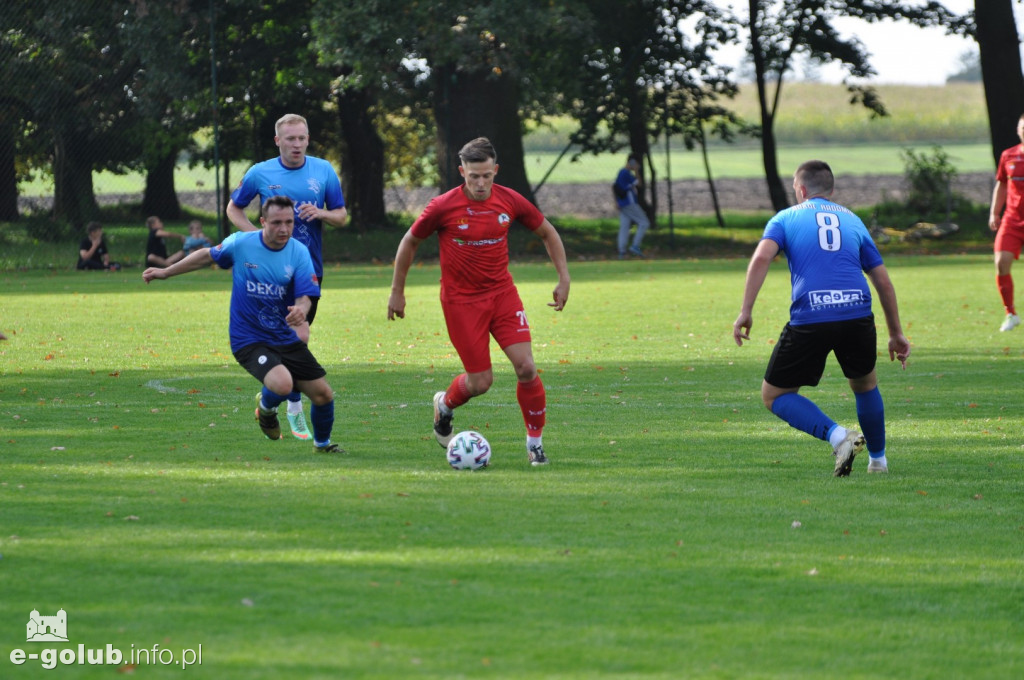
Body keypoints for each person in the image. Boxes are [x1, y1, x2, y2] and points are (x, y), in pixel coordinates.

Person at [387, 137, 571, 466]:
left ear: (496, 170)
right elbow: (410, 241)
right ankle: (445, 404)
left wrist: (563, 278)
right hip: (460, 303)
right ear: (462, 172)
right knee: (480, 382)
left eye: (487, 175)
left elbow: (548, 232)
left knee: (526, 367)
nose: (481, 183)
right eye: (474, 176)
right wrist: (397, 291)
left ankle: (535, 443)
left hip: (502, 295)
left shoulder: (509, 200)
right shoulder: (443, 206)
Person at [732, 160, 911, 476]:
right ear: (831, 190)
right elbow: (882, 280)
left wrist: (746, 310)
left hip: (811, 314)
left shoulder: (785, 218)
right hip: (857, 312)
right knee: (866, 385)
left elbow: (762, 257)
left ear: (800, 190)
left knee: (774, 395)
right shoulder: (853, 221)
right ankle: (878, 462)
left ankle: (839, 436)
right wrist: (896, 332)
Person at [142, 195, 341, 453]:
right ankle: (267, 410)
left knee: (323, 394)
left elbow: (305, 296)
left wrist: (301, 311)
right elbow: (206, 256)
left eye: (289, 222)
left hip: (282, 336)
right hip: (248, 338)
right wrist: (165, 272)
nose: (283, 229)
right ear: (262, 222)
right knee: (283, 383)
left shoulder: (299, 252)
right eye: (277, 222)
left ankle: (322, 446)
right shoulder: (241, 243)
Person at [226, 113, 348, 441]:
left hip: (308, 272)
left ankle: (271, 401)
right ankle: (290, 406)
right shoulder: (260, 172)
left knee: (296, 342)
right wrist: (256, 239)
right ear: (278, 141)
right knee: (297, 340)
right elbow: (233, 209)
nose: (297, 144)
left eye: (302, 138)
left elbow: (342, 215)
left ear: (309, 139)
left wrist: (321, 212)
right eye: (290, 139)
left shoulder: (323, 171)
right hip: (269, 276)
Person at [989, 113, 1024, 332]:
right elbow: (1001, 185)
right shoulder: (1009, 155)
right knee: (1001, 262)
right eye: (1023, 127)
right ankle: (1010, 313)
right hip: (1012, 220)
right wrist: (994, 213)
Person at [614, 154, 651, 259]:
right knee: (644, 222)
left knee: (624, 227)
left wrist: (616, 201)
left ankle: (622, 252)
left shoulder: (621, 173)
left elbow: (614, 186)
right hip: (629, 203)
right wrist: (636, 171)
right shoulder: (625, 173)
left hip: (623, 204)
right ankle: (635, 246)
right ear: (632, 162)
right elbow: (639, 184)